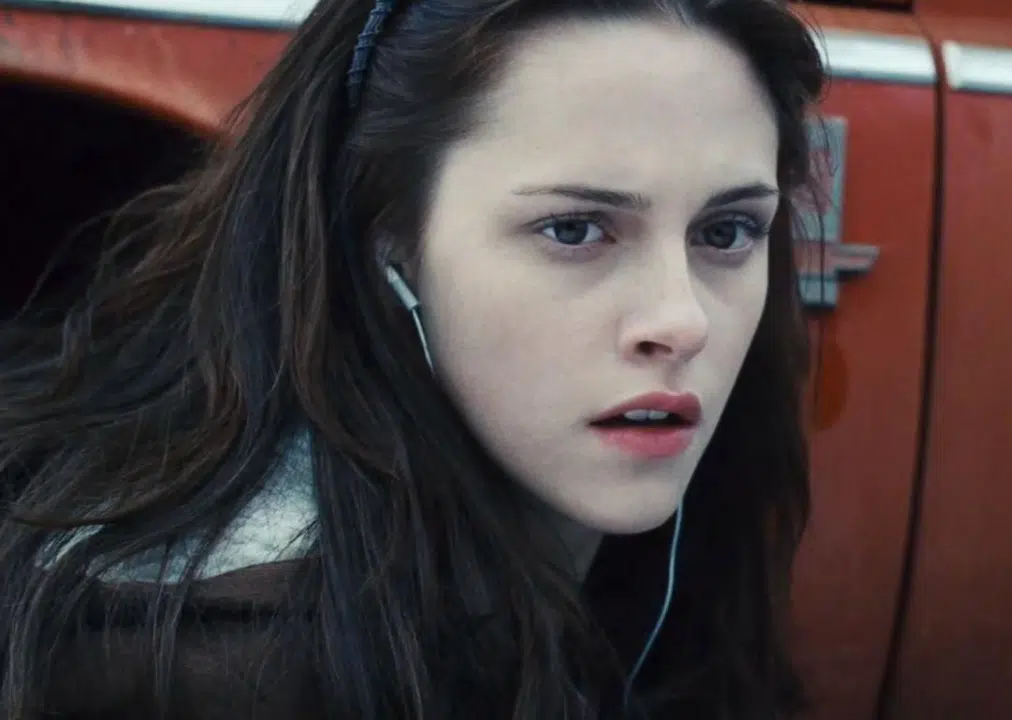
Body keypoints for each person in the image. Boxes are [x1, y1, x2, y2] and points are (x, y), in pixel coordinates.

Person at [0, 0, 825, 716]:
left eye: (726, 232)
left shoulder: (669, 539)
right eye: (574, 230)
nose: (682, 321)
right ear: (388, 238)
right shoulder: (220, 666)